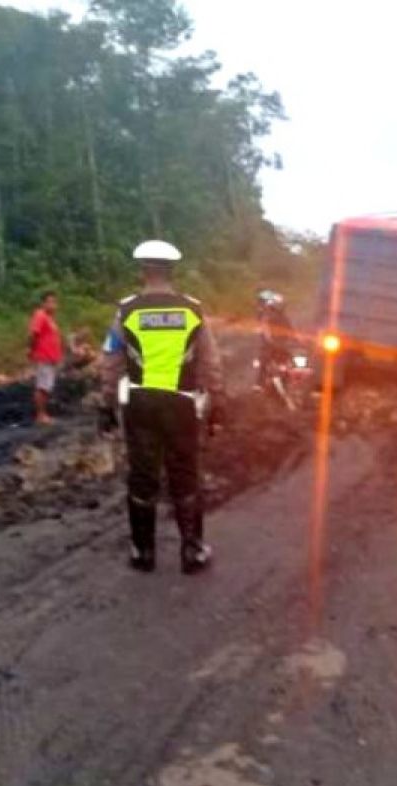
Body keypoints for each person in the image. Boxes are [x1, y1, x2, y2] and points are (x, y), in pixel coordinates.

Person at [99, 240, 226, 574]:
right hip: (182, 404)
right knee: (185, 476)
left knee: (143, 477)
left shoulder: (126, 310)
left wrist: (106, 403)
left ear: (143, 271)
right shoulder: (192, 309)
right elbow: (210, 361)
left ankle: (143, 552)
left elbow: (111, 360)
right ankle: (193, 552)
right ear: (172, 271)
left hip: (140, 403)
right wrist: (216, 402)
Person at [28, 290, 63, 425]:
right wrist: (31, 350)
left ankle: (44, 414)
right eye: (50, 302)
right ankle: (41, 415)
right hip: (43, 357)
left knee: (46, 386)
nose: (53, 305)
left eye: (55, 302)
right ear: (43, 303)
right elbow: (33, 334)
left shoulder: (50, 318)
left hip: (50, 358)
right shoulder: (40, 315)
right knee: (42, 387)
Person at [254, 289, 295, 388]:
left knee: (291, 361)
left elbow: (291, 332)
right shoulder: (267, 317)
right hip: (272, 345)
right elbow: (265, 332)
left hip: (281, 345)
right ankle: (260, 383)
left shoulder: (281, 318)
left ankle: (287, 379)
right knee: (263, 359)